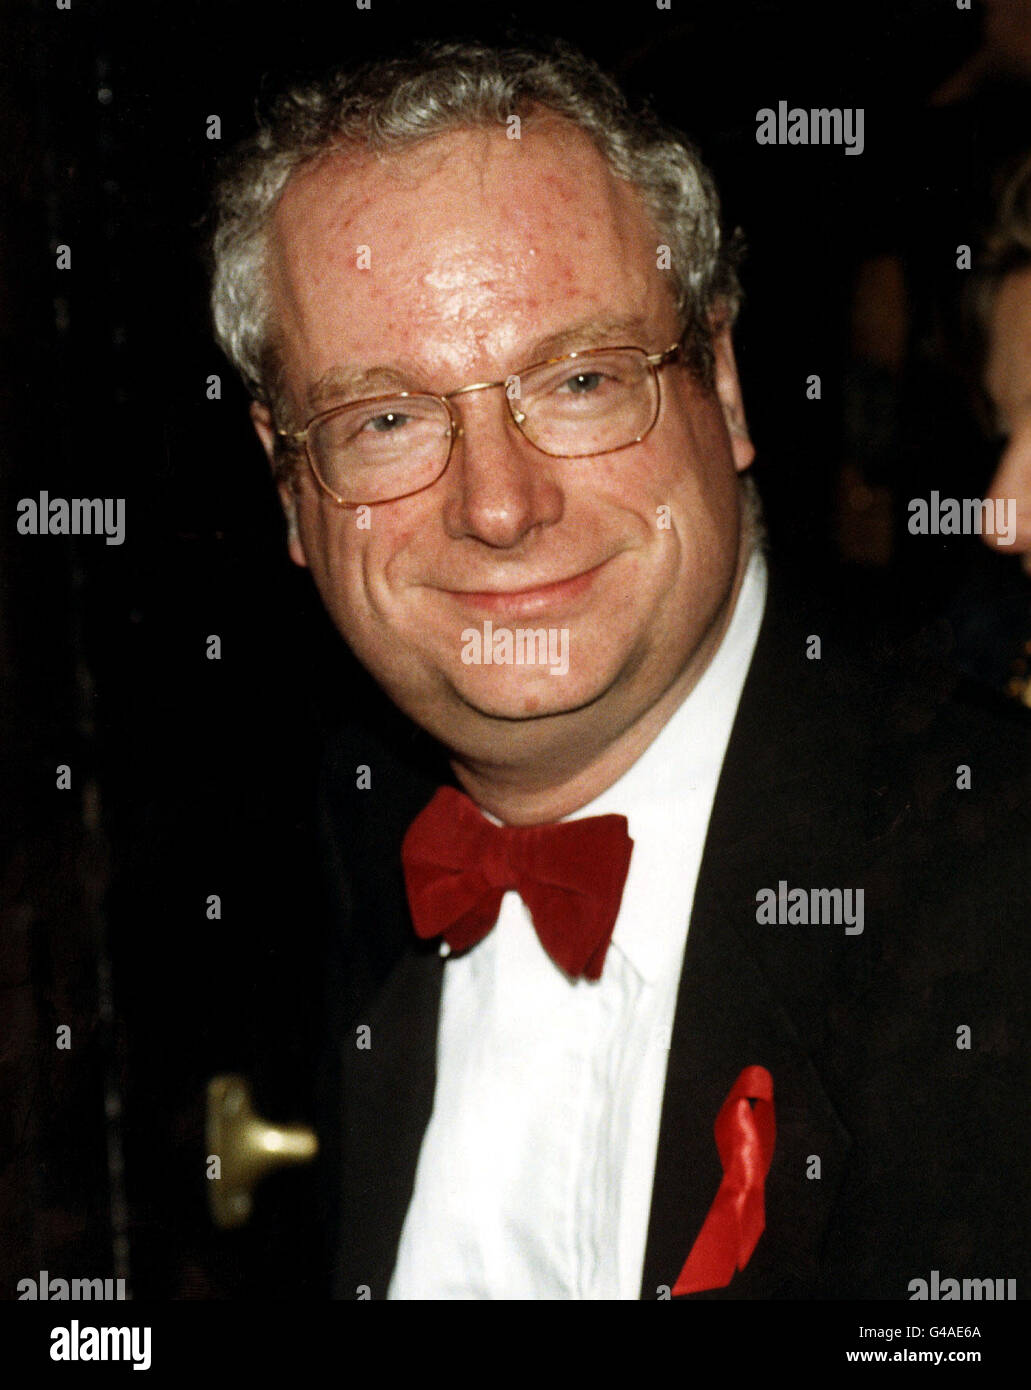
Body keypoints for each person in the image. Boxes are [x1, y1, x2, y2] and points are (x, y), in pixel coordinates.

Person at [209, 40, 1029, 1300]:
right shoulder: (313, 876)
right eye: (385, 419)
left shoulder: (986, 874)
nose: (496, 506)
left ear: (723, 380)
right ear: (287, 478)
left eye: (580, 379)